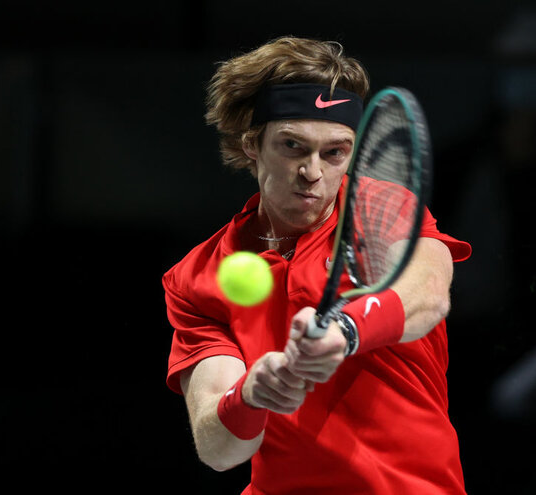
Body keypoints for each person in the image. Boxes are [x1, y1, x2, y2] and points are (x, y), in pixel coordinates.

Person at [162, 36, 472, 494]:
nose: (313, 172)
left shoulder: (380, 211)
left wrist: (344, 331)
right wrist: (250, 394)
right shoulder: (197, 276)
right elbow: (219, 450)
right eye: (293, 146)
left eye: (334, 152)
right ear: (252, 144)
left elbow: (427, 296)